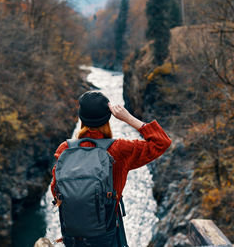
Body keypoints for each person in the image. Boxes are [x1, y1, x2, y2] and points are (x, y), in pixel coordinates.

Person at [50, 91, 172, 247]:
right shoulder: (119, 150)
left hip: (73, 235)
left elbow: (56, 190)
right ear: (108, 117)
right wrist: (128, 118)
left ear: (81, 117)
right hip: (107, 233)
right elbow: (161, 142)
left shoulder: (64, 149)